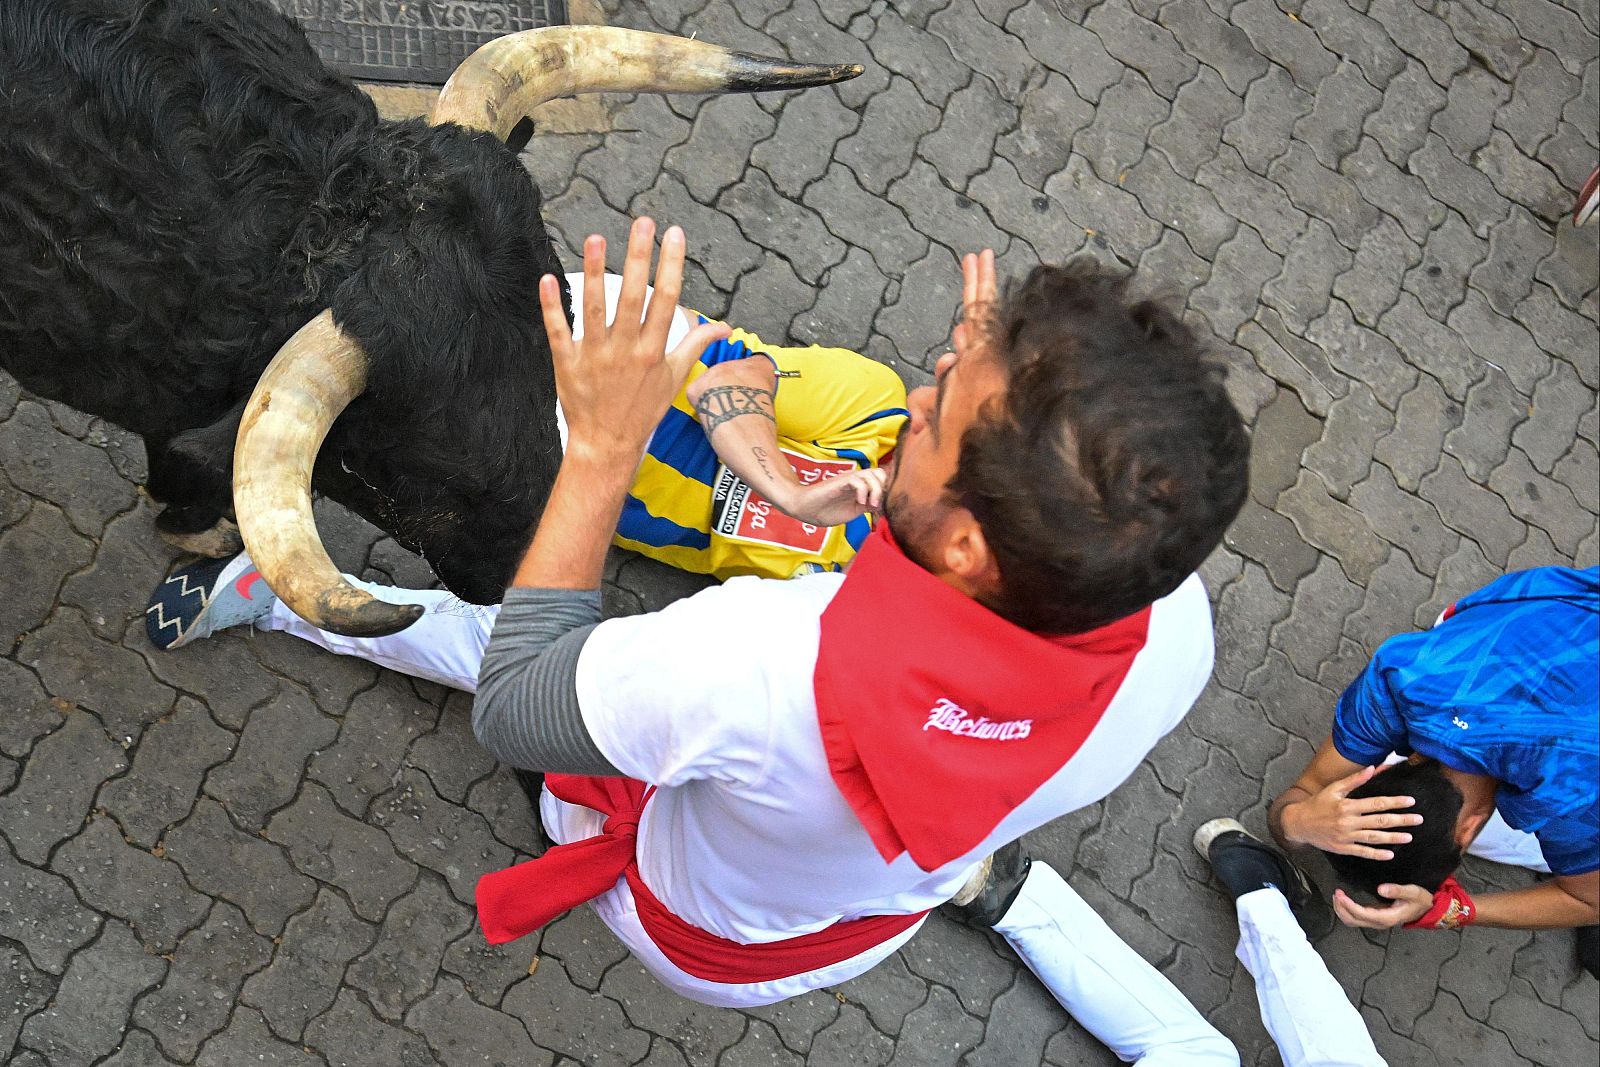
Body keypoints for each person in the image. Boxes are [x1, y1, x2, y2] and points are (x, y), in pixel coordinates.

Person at [462, 216, 1251, 1018]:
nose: (915, 396)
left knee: (506, 672)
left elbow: (513, 705)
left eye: (935, 423)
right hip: (852, 925)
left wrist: (602, 448)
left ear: (968, 548)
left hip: (681, 919)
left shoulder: (757, 659)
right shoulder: (1174, 621)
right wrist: (1007, 390)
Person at [145, 266, 908, 678]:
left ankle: (271, 596)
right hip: (563, 364)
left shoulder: (877, 594)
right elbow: (724, 378)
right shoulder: (883, 412)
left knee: (535, 663)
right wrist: (787, 488)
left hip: (573, 494)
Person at [1266, 566, 1599, 970]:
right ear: (1389, 768)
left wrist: (1450, 909)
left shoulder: (1568, 793)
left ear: (1468, 829)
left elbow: (1588, 900)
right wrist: (1301, 821)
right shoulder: (1400, 676)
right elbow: (1310, 788)